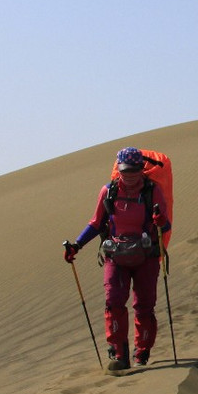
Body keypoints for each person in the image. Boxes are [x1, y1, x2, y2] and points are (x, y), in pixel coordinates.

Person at [62, 147, 172, 371]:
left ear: (141, 169)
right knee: (113, 302)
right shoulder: (108, 191)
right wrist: (77, 245)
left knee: (144, 306)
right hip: (116, 256)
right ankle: (119, 354)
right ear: (118, 169)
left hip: (146, 256)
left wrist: (160, 220)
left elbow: (165, 225)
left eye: (133, 170)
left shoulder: (152, 191)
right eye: (125, 171)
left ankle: (141, 353)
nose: (129, 175)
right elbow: (96, 223)